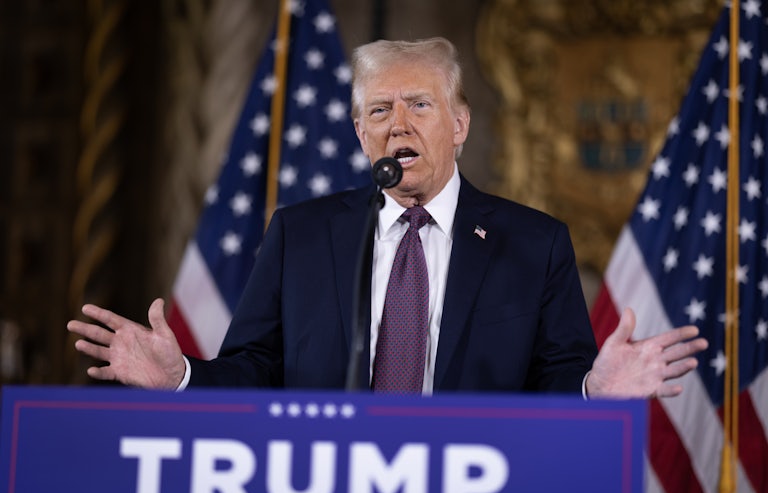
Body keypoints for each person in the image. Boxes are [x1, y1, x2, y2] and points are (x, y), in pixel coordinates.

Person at [68, 37, 707, 399]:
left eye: (419, 105)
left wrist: (597, 388)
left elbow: (556, 381)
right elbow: (252, 370)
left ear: (459, 125)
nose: (397, 123)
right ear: (358, 132)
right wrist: (181, 376)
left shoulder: (534, 243)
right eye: (378, 111)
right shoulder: (302, 234)